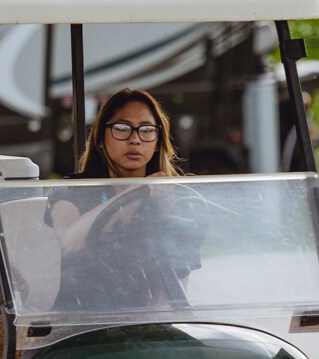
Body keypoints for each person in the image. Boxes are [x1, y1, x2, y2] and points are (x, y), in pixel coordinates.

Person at [47, 89, 205, 311]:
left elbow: (178, 289)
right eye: (122, 128)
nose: (135, 139)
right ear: (101, 136)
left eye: (147, 130)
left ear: (158, 141)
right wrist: (132, 192)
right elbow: (71, 241)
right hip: (77, 325)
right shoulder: (71, 189)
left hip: (146, 326)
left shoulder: (176, 201)